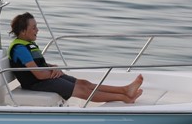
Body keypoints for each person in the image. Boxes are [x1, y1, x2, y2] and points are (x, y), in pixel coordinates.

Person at [8, 12, 143, 103]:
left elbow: (36, 65)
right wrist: (52, 72)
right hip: (37, 84)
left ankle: (125, 90)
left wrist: (52, 67)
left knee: (84, 83)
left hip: (45, 78)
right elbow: (39, 75)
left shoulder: (27, 44)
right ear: (23, 31)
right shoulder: (20, 49)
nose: (37, 30)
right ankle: (124, 98)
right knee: (82, 90)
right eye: (34, 27)